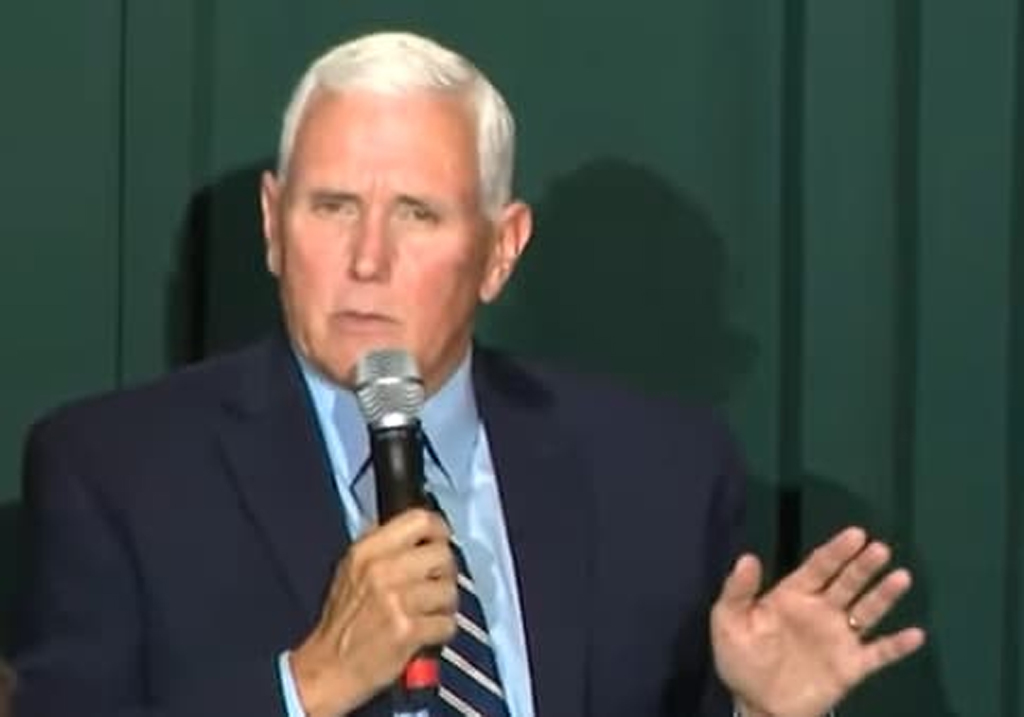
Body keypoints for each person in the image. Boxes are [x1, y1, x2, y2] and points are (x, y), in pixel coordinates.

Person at [10, 30, 924, 717]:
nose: (367, 259)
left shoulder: (661, 471)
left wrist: (761, 715)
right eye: (333, 207)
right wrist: (308, 684)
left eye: (417, 214)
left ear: (501, 250)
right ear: (272, 225)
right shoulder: (116, 470)